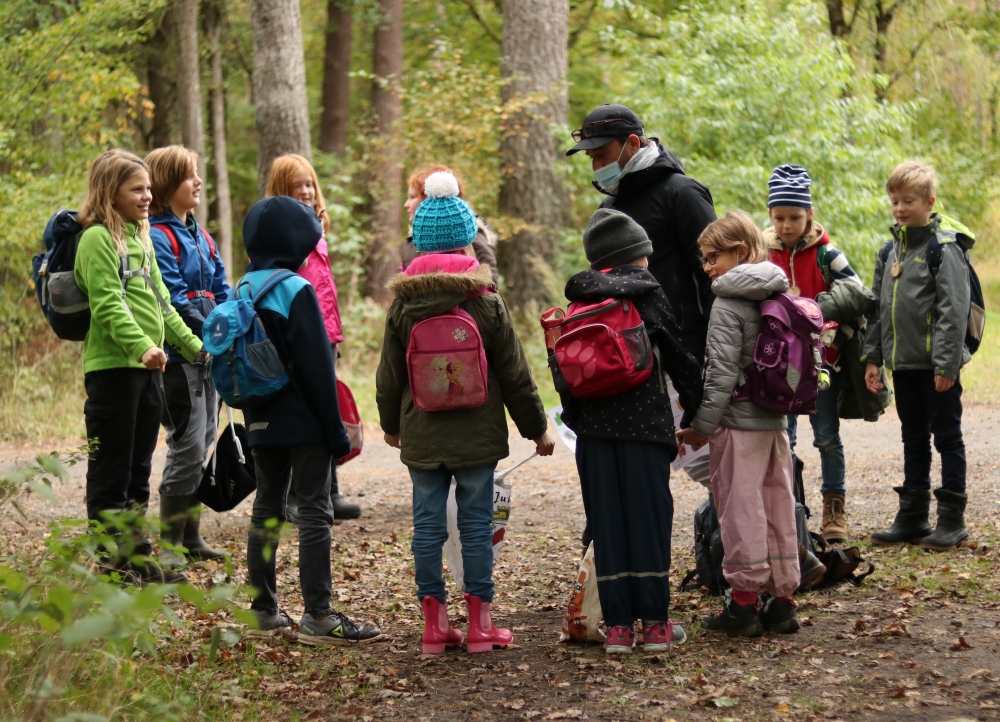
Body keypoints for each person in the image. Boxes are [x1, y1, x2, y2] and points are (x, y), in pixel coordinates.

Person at [376, 171, 554, 654]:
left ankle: (434, 627)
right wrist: (536, 428)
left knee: (427, 526)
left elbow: (389, 375)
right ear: (469, 242)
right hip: (477, 433)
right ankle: (481, 625)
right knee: (476, 525)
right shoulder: (485, 301)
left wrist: (391, 426)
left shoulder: (402, 306)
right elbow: (515, 372)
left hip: (423, 433)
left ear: (418, 246)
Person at [555, 208, 704, 654]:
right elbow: (680, 359)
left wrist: (577, 422)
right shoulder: (648, 297)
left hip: (595, 435)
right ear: (639, 256)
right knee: (649, 523)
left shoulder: (578, 305)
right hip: (646, 429)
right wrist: (696, 413)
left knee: (608, 525)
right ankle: (656, 625)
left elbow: (564, 375)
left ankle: (618, 628)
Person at [240, 195, 381, 645]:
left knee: (266, 510)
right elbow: (319, 370)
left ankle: (262, 611)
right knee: (316, 514)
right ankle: (318, 615)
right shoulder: (296, 289)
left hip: (259, 419)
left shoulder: (243, 287)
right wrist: (336, 433)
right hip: (304, 423)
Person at [567, 104, 717, 504]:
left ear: (632, 143)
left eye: (601, 154)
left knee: (712, 458)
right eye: (591, 158)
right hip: (634, 367)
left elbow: (716, 276)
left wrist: (712, 353)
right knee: (645, 465)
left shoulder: (682, 194)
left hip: (689, 354)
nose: (596, 165)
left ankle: (784, 543)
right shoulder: (609, 211)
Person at [74, 149, 206, 585]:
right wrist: (144, 347)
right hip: (113, 370)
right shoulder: (97, 239)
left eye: (149, 188)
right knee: (111, 469)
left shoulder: (141, 237)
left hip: (149, 369)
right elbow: (108, 304)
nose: (148, 196)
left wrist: (194, 346)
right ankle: (111, 564)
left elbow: (163, 304)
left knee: (139, 468)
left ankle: (138, 555)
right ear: (111, 192)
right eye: (138, 189)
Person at [676, 212, 800, 638]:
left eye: (712, 257)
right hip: (775, 421)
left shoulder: (727, 303)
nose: (706, 266)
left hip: (738, 424)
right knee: (777, 502)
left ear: (740, 252)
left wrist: (701, 427)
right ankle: (781, 602)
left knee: (740, 506)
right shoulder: (779, 292)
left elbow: (721, 374)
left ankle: (743, 604)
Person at [864, 162, 972, 551]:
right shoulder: (889, 250)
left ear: (929, 201)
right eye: (894, 201)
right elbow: (878, 309)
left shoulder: (944, 248)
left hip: (936, 367)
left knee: (947, 436)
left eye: (908, 200)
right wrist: (873, 358)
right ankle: (913, 515)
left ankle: (952, 519)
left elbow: (953, 310)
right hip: (903, 364)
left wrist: (946, 364)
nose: (899, 208)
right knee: (913, 437)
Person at [764, 164, 863, 544]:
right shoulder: (762, 253)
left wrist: (836, 334)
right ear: (770, 215)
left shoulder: (829, 255)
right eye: (779, 218)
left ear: (810, 214)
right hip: (778, 367)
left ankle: (834, 507)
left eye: (795, 217)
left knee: (826, 437)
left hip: (822, 366)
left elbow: (856, 299)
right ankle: (789, 508)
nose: (787, 225)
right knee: (782, 438)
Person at [146, 145, 231, 569]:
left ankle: (192, 537)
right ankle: (169, 547)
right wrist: (210, 334)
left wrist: (231, 325)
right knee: (186, 444)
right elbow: (176, 301)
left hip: (210, 355)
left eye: (197, 174)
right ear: (166, 185)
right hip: (180, 359)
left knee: (205, 443)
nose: (198, 182)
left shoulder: (201, 235)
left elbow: (222, 287)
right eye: (188, 176)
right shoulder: (158, 237)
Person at [265, 153, 361, 521]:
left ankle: (328, 490)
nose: (306, 191)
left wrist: (334, 332)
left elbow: (324, 286)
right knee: (300, 410)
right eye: (297, 185)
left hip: (326, 331)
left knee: (327, 407)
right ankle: (294, 495)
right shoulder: (282, 229)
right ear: (282, 189)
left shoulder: (317, 228)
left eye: (309, 183)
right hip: (300, 330)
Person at [400, 165, 499, 286]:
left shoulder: (467, 235)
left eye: (413, 197)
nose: (406, 204)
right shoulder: (410, 243)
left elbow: (490, 280)